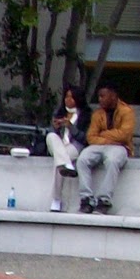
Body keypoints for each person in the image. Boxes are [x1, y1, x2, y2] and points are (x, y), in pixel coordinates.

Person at [76, 80, 137, 214]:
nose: (100, 99)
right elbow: (91, 137)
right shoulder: (97, 114)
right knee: (82, 160)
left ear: (113, 96)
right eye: (99, 96)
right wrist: (109, 139)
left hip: (121, 147)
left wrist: (103, 134)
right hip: (101, 145)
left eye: (103, 96)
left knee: (112, 161)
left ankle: (104, 200)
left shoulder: (127, 112)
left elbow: (124, 135)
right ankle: (86, 199)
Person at [46, 84, 90, 213]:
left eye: (71, 97)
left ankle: (56, 200)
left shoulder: (86, 115)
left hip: (74, 146)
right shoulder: (59, 112)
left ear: (78, 99)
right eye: (66, 97)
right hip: (59, 145)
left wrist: (71, 127)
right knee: (51, 136)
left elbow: (85, 138)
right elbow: (51, 132)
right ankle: (67, 165)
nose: (68, 100)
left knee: (59, 163)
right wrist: (55, 127)